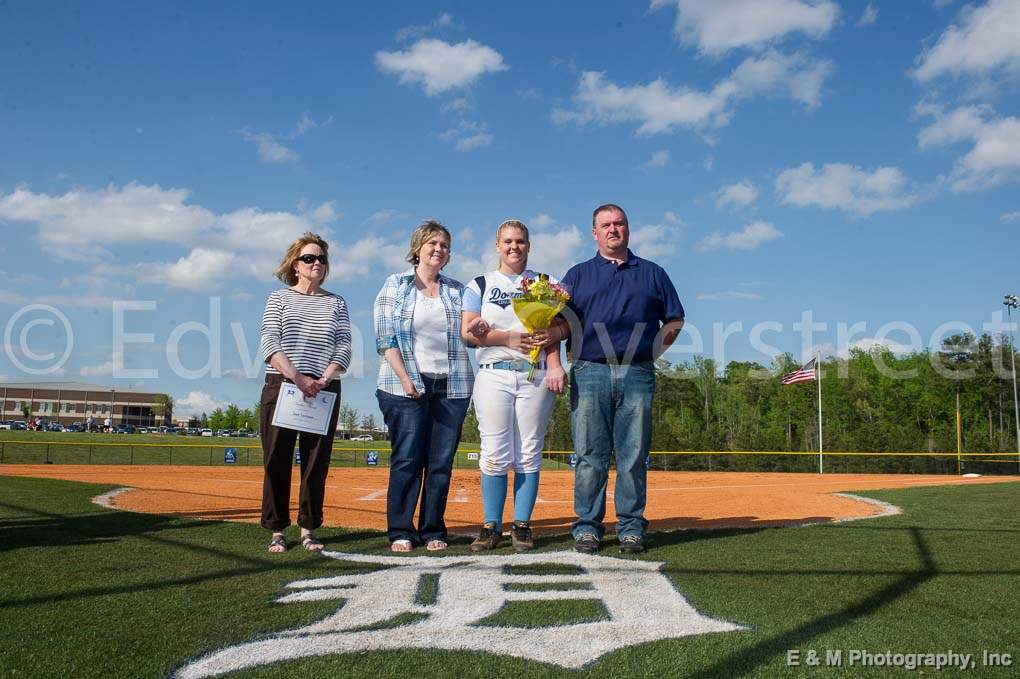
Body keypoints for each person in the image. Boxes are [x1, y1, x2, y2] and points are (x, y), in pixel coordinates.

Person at [541, 204, 684, 554]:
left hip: (637, 373)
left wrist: (651, 354)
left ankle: (631, 527)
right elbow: (553, 325)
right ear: (594, 233)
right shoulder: (577, 275)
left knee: (633, 455)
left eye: (618, 223)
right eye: (605, 225)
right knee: (590, 453)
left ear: (628, 229)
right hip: (590, 370)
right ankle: (587, 527)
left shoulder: (652, 273)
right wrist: (554, 363)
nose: (613, 229)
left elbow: (675, 321)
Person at [460, 219, 565, 551]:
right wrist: (496, 334)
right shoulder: (479, 284)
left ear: (529, 246)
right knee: (494, 450)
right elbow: (467, 333)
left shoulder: (545, 284)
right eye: (507, 241)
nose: (513, 246)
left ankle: (522, 525)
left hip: (533, 375)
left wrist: (554, 363)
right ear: (497, 245)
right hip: (494, 372)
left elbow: (560, 329)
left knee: (529, 450)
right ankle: (491, 525)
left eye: (520, 241)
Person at [374, 220, 473, 553]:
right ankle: (401, 529)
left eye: (444, 244)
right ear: (417, 248)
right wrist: (406, 379)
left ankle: (433, 529)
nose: (438, 249)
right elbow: (384, 338)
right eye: (432, 243)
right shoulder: (395, 285)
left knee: (440, 463)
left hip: (451, 387)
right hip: (403, 386)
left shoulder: (457, 291)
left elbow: (470, 334)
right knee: (407, 459)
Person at [258, 231, 352, 553]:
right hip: (284, 384)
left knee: (315, 463)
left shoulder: (336, 302)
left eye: (322, 259)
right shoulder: (279, 299)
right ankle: (277, 530)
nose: (316, 264)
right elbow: (270, 344)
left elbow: (344, 346)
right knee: (276, 460)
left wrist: (324, 378)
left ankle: (309, 529)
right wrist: (298, 378)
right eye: (309, 258)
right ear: (295, 265)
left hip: (323, 389)